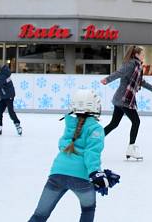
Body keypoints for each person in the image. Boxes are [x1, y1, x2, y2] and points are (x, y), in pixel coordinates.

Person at [28, 89, 120, 222]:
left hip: (57, 173)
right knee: (88, 209)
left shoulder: (70, 124)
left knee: (39, 215)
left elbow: (62, 145)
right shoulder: (96, 128)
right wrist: (95, 172)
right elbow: (92, 153)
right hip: (81, 176)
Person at [101, 46, 152, 161]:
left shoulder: (137, 67)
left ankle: (93, 139)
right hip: (124, 98)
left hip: (123, 98)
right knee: (136, 121)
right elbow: (119, 73)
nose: (143, 56)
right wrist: (107, 79)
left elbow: (141, 82)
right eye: (142, 54)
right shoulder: (131, 64)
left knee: (114, 124)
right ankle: (131, 148)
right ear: (136, 55)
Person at [0, 60, 22, 136]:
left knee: (11, 112)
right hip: (5, 95)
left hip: (9, 95)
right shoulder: (3, 72)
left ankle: (17, 125)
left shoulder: (3, 74)